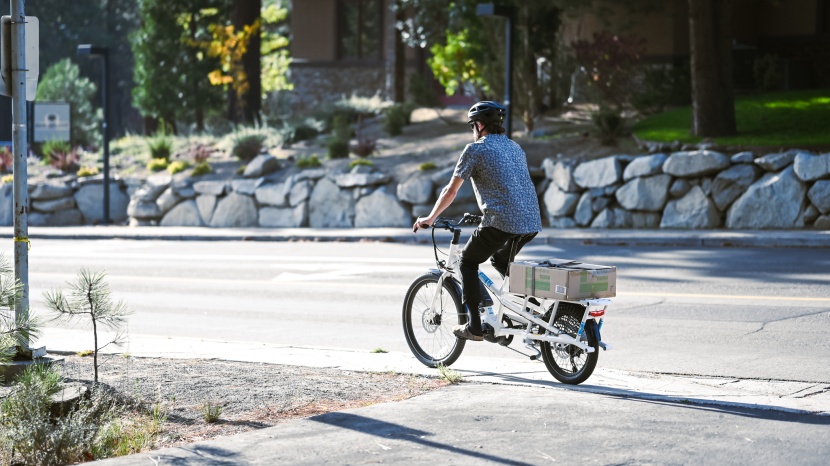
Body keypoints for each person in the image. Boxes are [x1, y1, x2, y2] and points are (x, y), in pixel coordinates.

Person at [413, 101, 542, 341]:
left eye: (472, 125)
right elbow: (508, 186)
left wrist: (430, 218)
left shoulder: (475, 149)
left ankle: (474, 326)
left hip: (501, 221)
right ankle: (535, 313)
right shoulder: (514, 147)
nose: (472, 130)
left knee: (467, 262)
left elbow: (450, 191)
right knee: (501, 261)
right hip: (531, 221)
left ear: (480, 125)